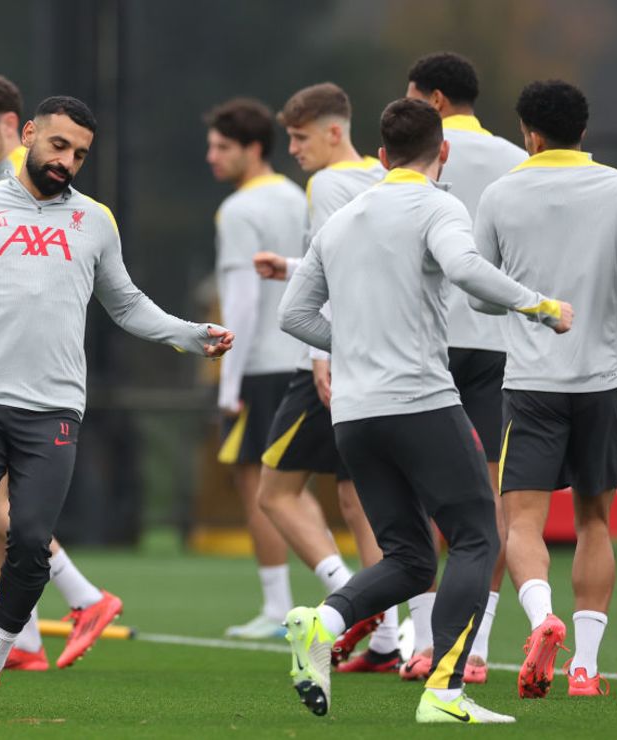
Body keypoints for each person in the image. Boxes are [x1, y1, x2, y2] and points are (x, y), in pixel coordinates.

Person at [0, 95, 234, 711]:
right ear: (28, 134)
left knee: (31, 543)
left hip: (54, 408)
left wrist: (192, 336)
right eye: (58, 146)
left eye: (80, 154)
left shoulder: (95, 221)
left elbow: (128, 304)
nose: (68, 162)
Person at [279, 96, 570, 724]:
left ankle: (321, 622)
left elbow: (293, 316)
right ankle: (445, 691)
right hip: (419, 402)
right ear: (442, 152)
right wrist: (540, 306)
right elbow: (465, 267)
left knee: (410, 557)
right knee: (475, 535)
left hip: (354, 416)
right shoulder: (439, 203)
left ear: (381, 156)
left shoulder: (343, 218)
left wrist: (356, 343)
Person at [0, 73, 123, 670]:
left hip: (40, 391)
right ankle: (24, 641)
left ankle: (81, 597)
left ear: (11, 127)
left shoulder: (32, 190)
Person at [475, 80, 617, 699]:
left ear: (529, 134)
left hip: (531, 381)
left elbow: (482, 294)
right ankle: (585, 668)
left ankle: (543, 620)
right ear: (583, 132)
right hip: (602, 379)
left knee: (522, 523)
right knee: (595, 520)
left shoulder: (501, 193)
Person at [253, 83, 399, 671]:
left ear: (334, 132)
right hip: (379, 357)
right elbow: (366, 261)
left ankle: (351, 599)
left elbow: (334, 274)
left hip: (331, 360)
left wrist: (320, 356)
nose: (292, 148)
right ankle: (387, 639)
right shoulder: (382, 178)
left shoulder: (327, 184)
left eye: (299, 136)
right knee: (357, 500)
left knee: (275, 491)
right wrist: (290, 265)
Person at [399, 51, 528, 683]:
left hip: (426, 343)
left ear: (438, 100)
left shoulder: (411, 155)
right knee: (489, 501)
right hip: (499, 344)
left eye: (414, 95)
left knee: (422, 496)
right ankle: (475, 649)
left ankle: (424, 643)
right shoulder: (514, 159)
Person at [204, 96, 304, 639]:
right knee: (310, 491)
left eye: (222, 147)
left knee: (261, 490)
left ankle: (278, 607)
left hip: (261, 366)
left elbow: (239, 302)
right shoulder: (299, 196)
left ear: (253, 149)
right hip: (307, 358)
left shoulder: (240, 210)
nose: (211, 157)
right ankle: (372, 609)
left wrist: (228, 382)